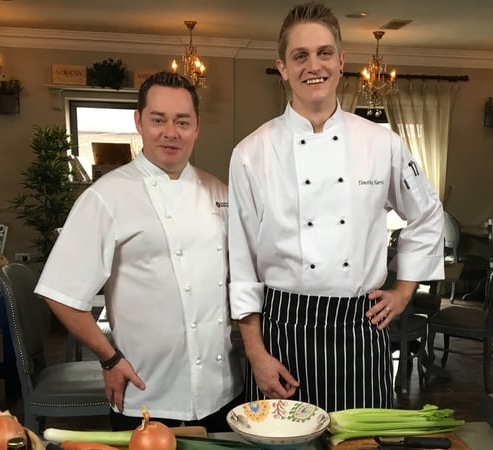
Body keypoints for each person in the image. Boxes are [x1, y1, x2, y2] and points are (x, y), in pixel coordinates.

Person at [227, 1, 444, 412]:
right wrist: (255, 353)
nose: (314, 65)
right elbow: (241, 262)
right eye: (300, 55)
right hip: (283, 331)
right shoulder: (251, 153)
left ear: (342, 61)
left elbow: (427, 212)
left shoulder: (382, 143)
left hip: (360, 330)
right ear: (282, 67)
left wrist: (403, 291)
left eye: (324, 53)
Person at [35, 71, 243, 431]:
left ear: (197, 127)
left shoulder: (219, 192)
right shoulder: (106, 197)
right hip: (146, 393)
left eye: (182, 121)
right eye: (158, 120)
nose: (170, 132)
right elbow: (61, 293)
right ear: (139, 122)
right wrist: (109, 358)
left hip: (222, 393)